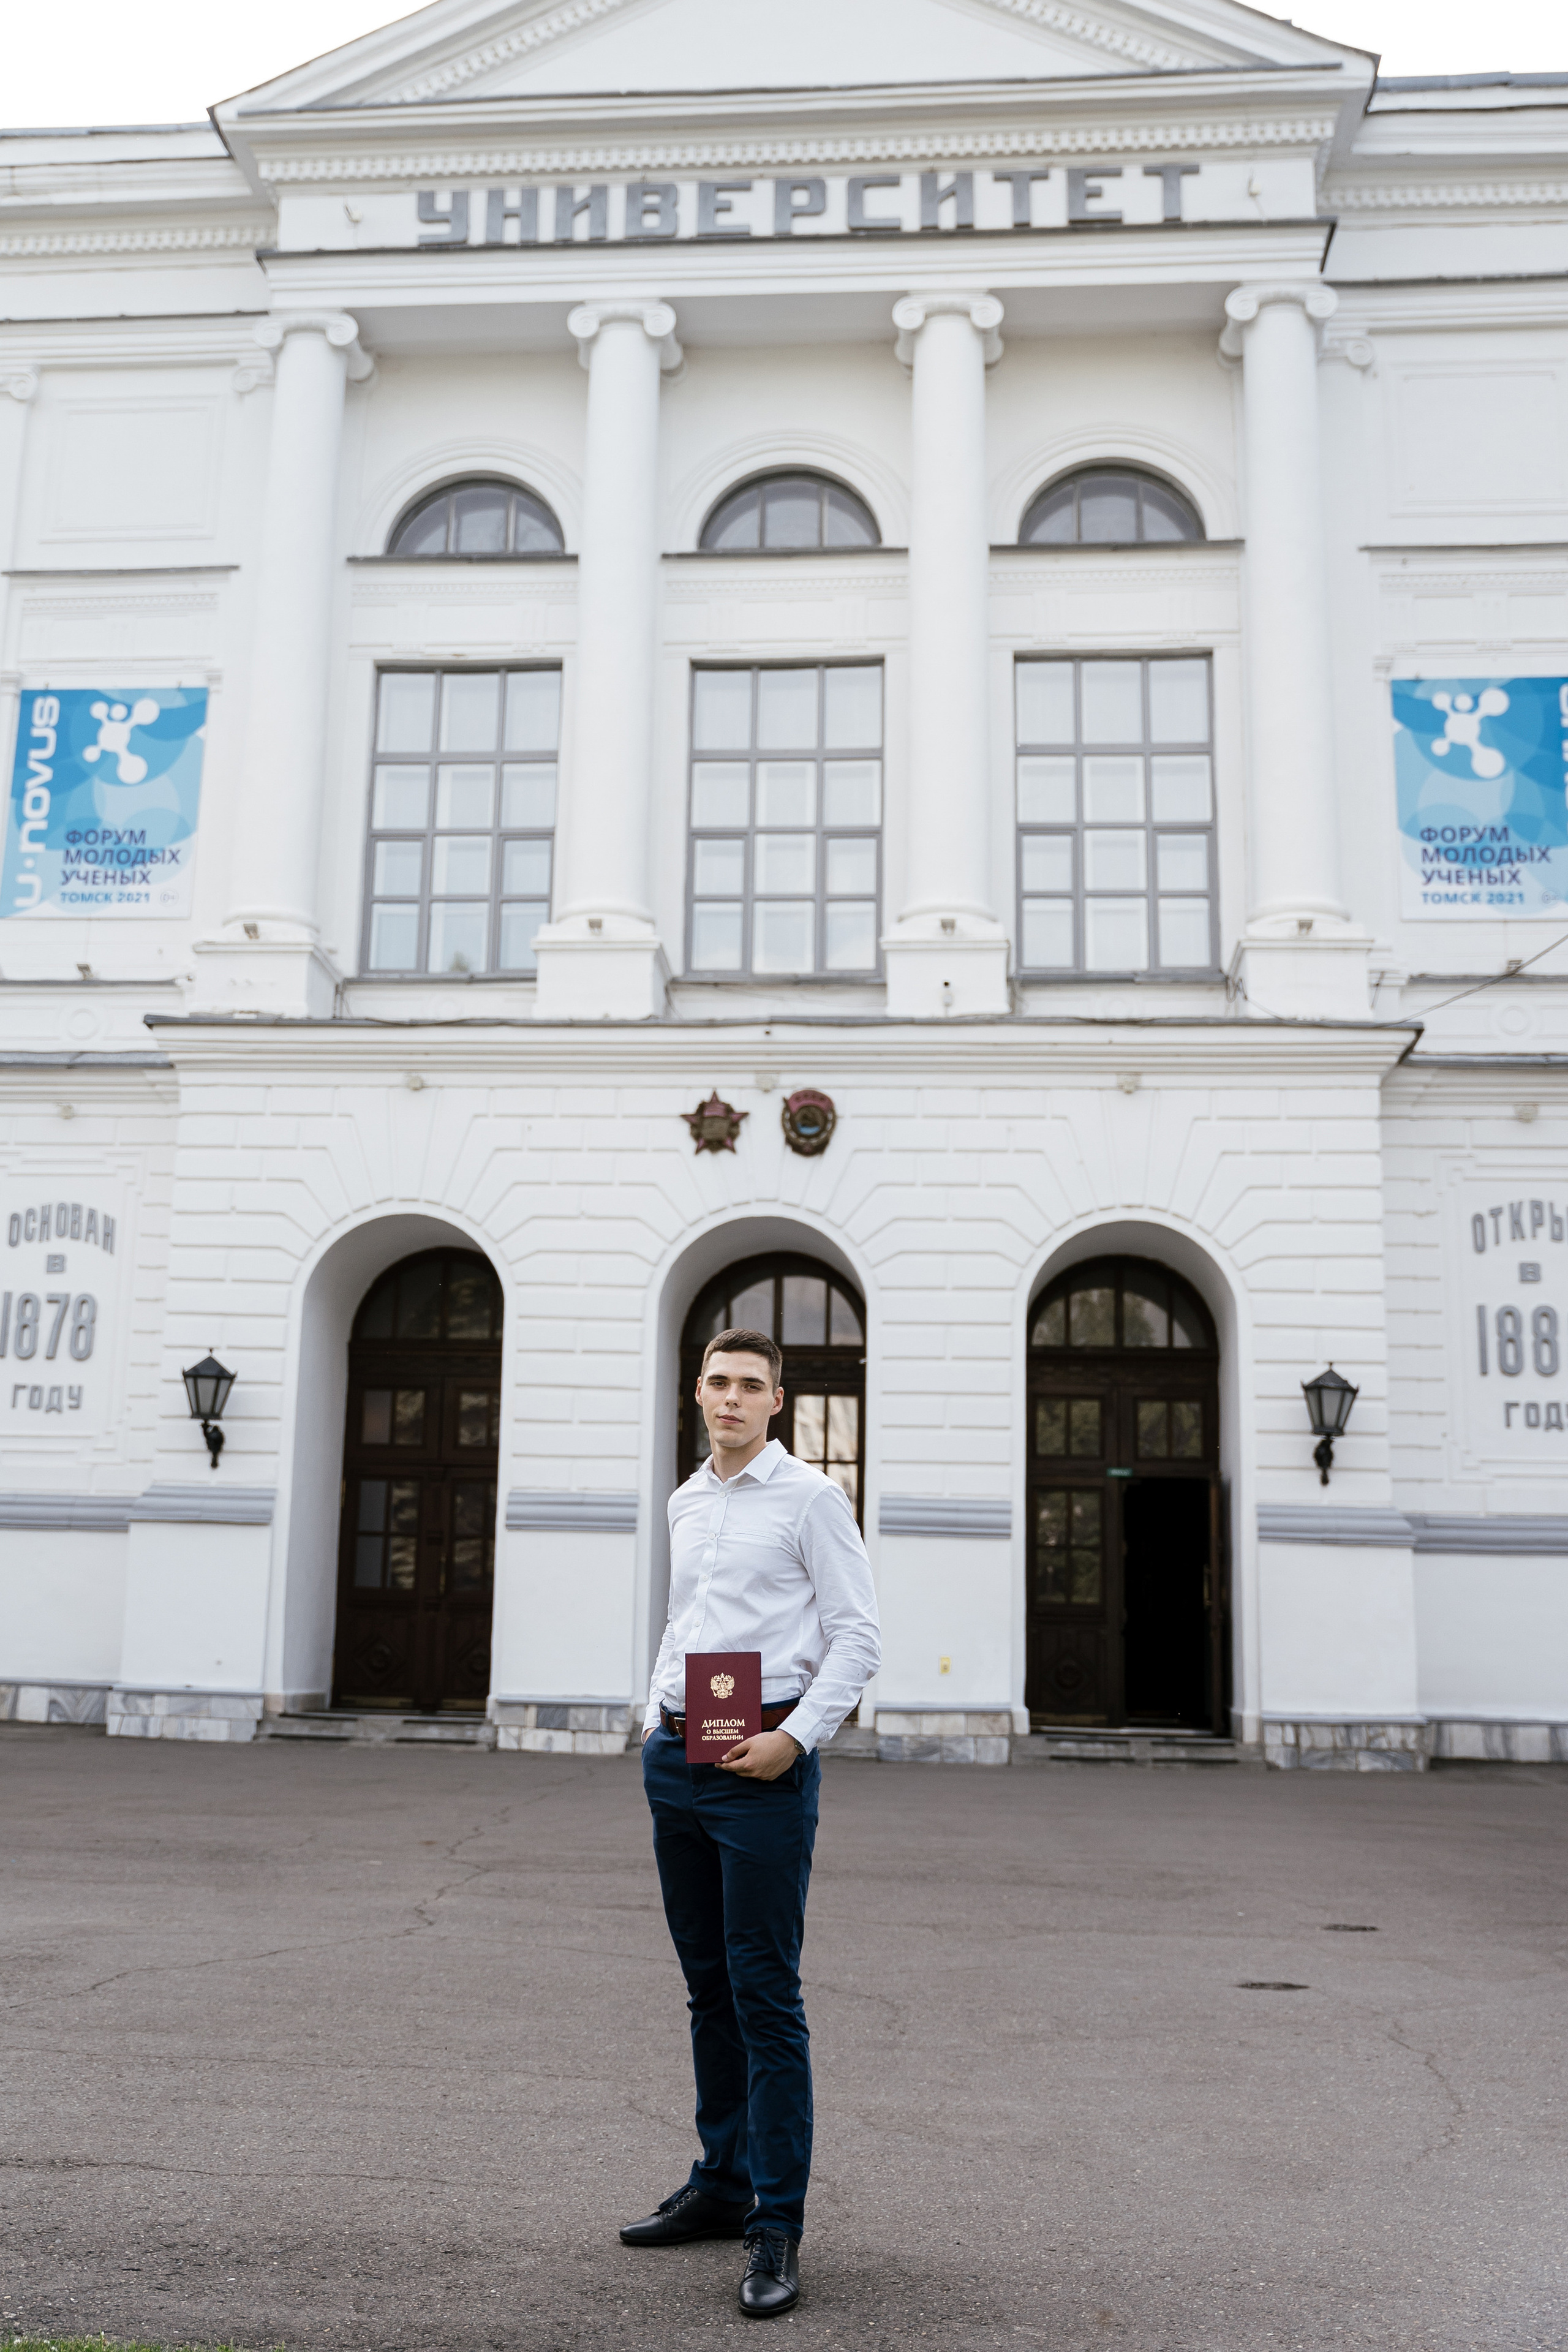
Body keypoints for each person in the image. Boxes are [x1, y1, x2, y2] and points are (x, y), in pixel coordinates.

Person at [621, 1325, 881, 2318]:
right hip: (681, 1756)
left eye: (751, 1386)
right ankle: (722, 2182)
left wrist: (799, 1740)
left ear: (778, 1401)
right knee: (706, 1988)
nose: (732, 1399)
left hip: (766, 1760)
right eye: (719, 1382)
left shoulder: (811, 1499)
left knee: (764, 1991)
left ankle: (778, 2219)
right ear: (698, 1393)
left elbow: (858, 1635)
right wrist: (657, 1721)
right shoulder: (687, 1500)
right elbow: (688, 1623)